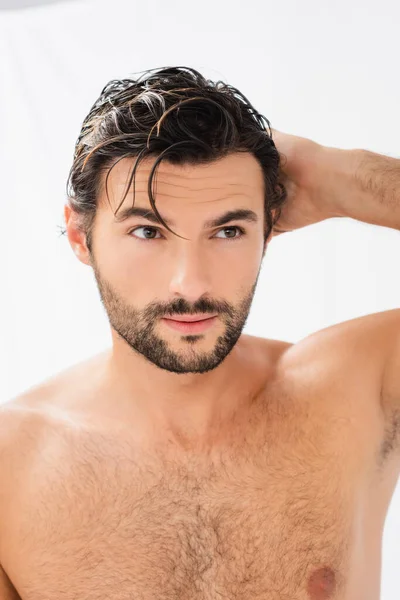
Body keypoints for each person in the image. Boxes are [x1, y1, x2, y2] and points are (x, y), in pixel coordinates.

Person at [0, 65, 399, 600]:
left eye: (228, 230)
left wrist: (342, 178)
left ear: (269, 228)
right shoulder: (10, 469)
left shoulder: (356, 388)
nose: (191, 281)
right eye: (148, 231)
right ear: (80, 235)